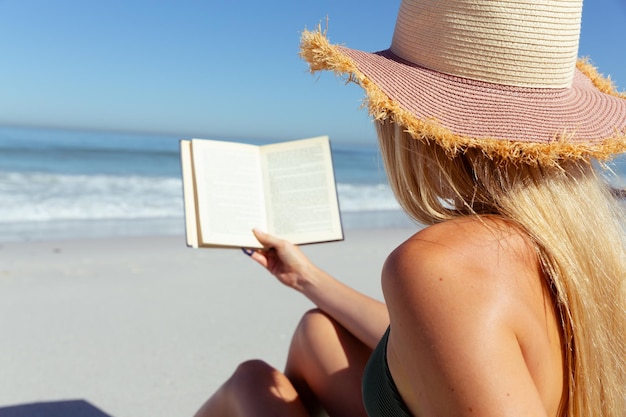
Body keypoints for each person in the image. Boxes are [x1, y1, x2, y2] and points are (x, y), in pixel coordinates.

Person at [194, 1, 626, 416]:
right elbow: (458, 336)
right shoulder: (582, 244)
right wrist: (306, 278)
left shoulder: (443, 264)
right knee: (317, 332)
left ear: (418, 125)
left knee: (251, 384)